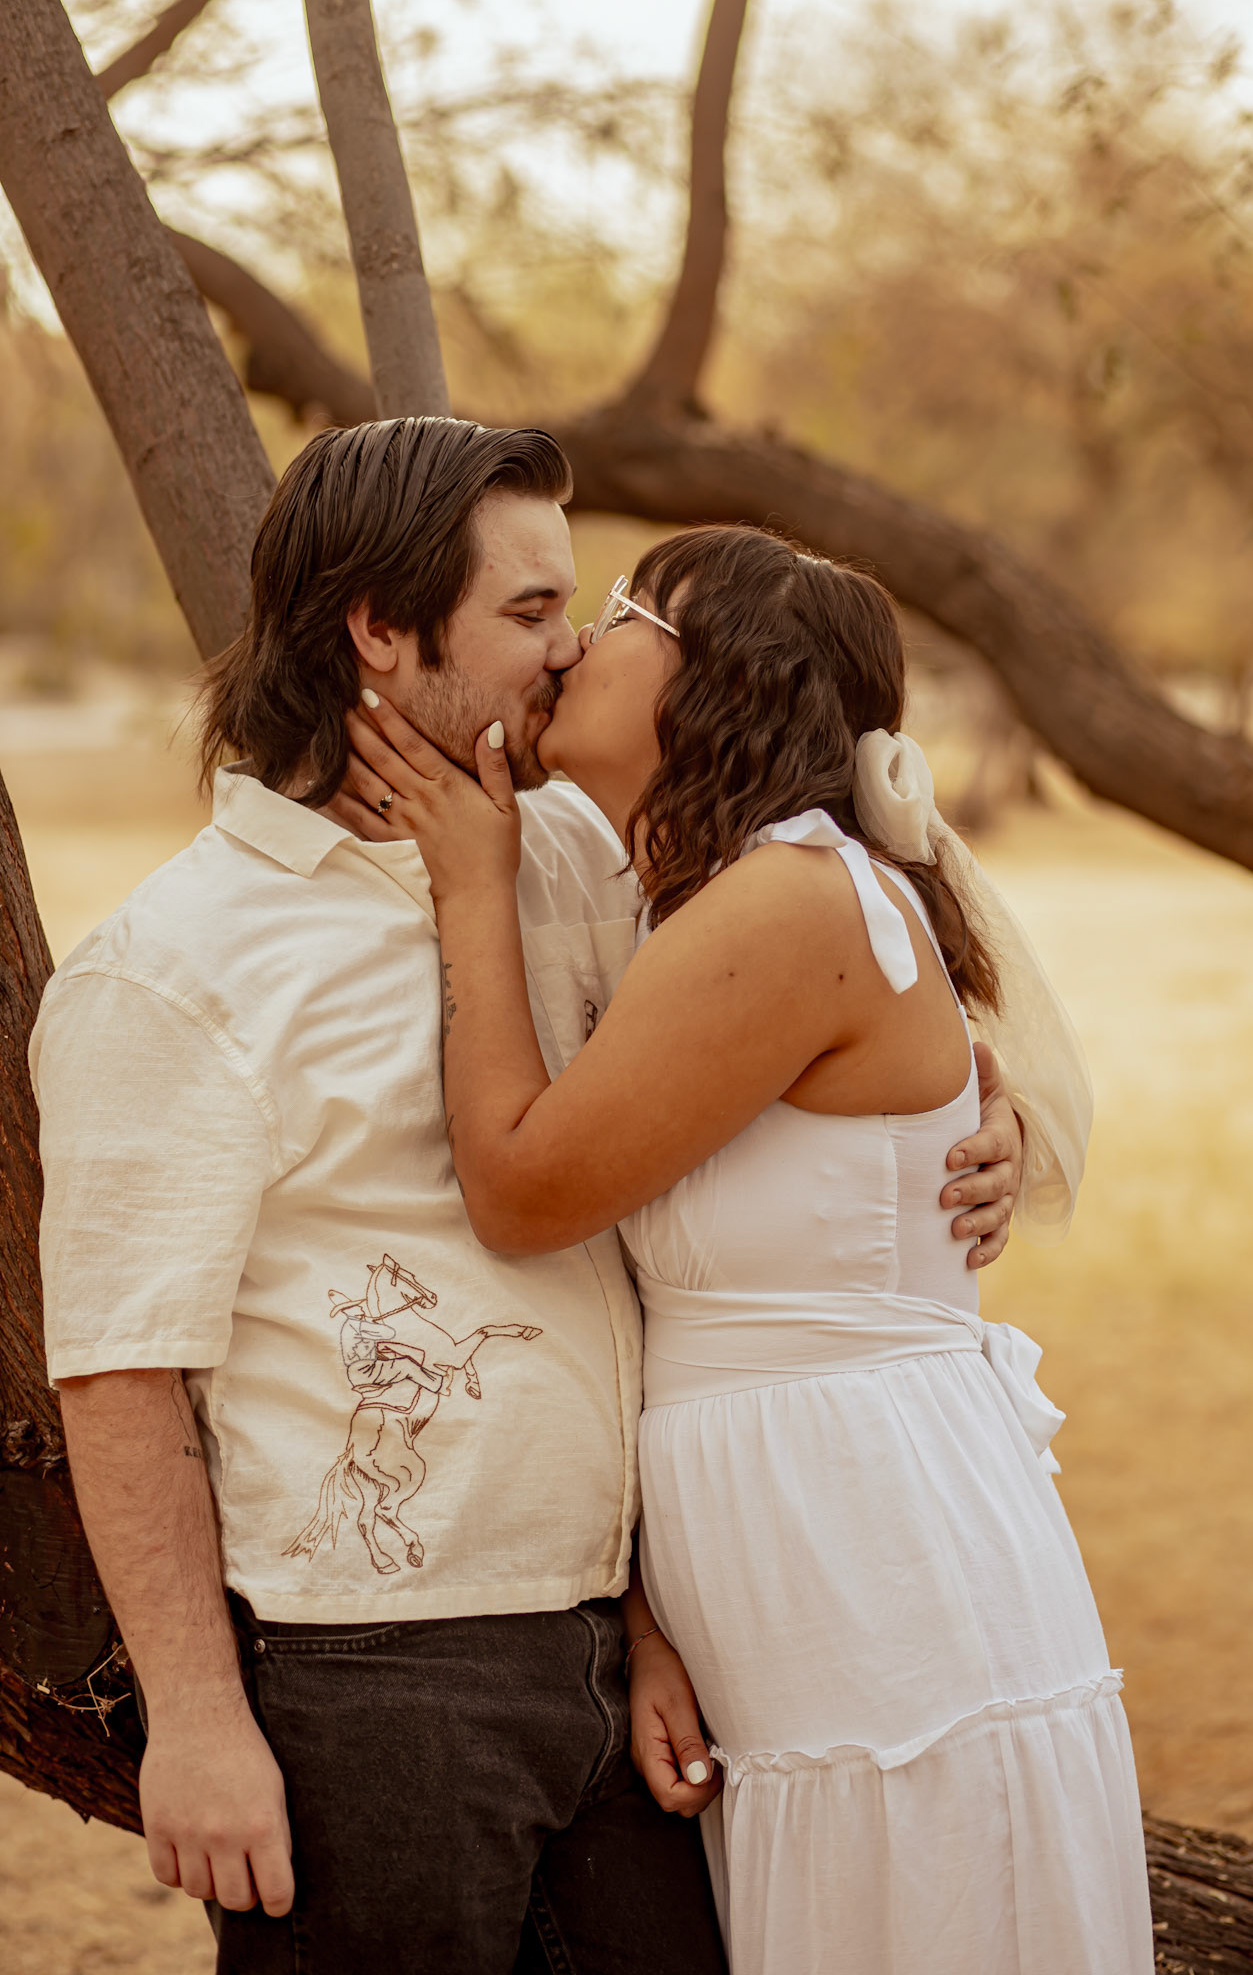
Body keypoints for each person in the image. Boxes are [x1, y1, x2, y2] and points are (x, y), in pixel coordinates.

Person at [30, 418, 1035, 1975]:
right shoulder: (172, 971)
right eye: (528, 611)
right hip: (370, 1672)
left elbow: (790, 1026)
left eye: (575, 607)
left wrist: (974, 1108)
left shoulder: (576, 857)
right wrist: (199, 1718)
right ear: (380, 628)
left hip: (620, 1651)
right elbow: (118, 1370)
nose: (569, 649)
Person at [334, 521, 1152, 1975]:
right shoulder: (715, 902)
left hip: (877, 1561)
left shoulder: (784, 901)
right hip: (797, 1569)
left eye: (624, 610)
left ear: (722, 680)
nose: (580, 639)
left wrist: (472, 888)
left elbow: (522, 1191)